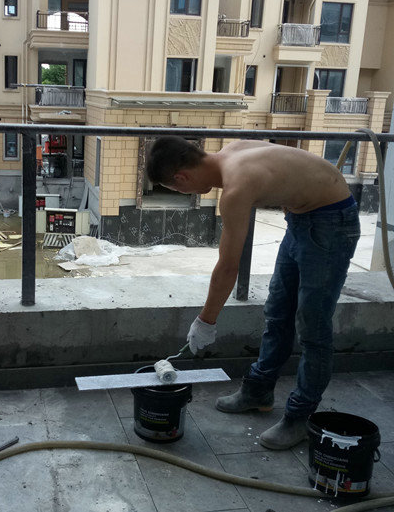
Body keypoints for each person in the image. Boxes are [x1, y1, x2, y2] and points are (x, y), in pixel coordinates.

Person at [146, 137, 360, 449]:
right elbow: (287, 163)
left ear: (181, 178)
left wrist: (206, 321)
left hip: (332, 222)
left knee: (313, 325)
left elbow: (228, 266)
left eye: (176, 189)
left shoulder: (235, 188)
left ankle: (300, 418)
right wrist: (293, 197)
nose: (182, 193)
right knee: (278, 311)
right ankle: (258, 391)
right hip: (301, 218)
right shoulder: (232, 150)